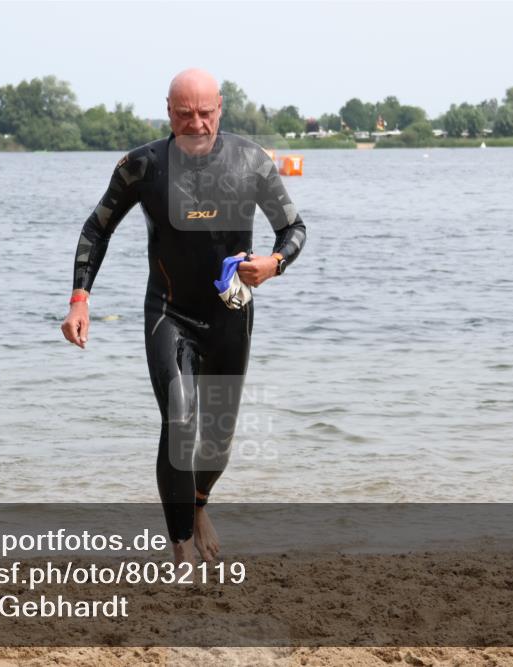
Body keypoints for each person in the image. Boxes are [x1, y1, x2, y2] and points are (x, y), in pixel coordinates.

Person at [61, 68, 306, 566]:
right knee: (179, 418)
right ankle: (178, 543)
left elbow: (294, 228)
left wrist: (274, 264)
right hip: (168, 312)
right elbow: (97, 229)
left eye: (205, 112)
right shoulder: (141, 166)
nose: (196, 123)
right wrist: (80, 299)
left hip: (230, 314)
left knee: (216, 440)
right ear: (168, 112)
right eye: (184, 113)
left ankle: (198, 507)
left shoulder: (251, 162)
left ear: (220, 109)